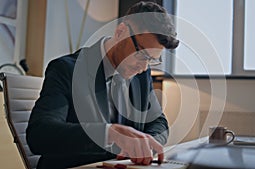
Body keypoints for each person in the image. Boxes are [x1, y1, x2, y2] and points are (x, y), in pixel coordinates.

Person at [26, 1, 179, 168]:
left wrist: (146, 143)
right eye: (142, 55)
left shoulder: (141, 75)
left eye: (151, 59)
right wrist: (109, 134)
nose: (143, 67)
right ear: (120, 31)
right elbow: (40, 135)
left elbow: (158, 122)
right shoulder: (66, 70)